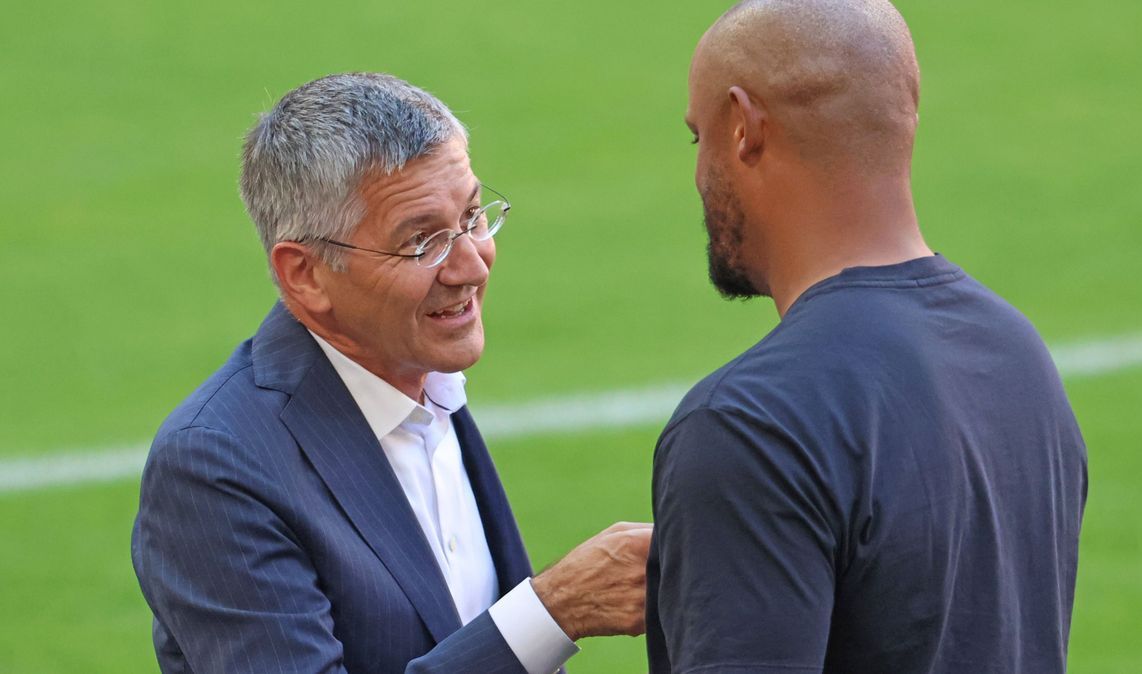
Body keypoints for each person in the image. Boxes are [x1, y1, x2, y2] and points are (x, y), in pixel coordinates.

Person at [131, 72, 651, 674]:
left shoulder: (422, 380)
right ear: (305, 274)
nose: (471, 266)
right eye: (422, 243)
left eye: (474, 216)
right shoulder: (215, 465)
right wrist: (551, 613)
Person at [645, 1, 1087, 672]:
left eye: (697, 136)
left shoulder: (749, 426)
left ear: (744, 127)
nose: (699, 168)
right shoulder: (1016, 353)